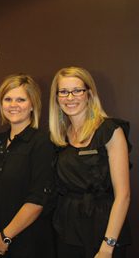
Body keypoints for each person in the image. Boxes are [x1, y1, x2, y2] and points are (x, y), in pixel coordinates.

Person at [49, 67, 131, 258]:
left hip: (104, 230)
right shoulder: (59, 137)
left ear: (89, 94)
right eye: (63, 92)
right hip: (67, 230)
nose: (70, 97)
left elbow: (123, 195)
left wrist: (107, 247)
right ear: (57, 97)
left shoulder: (109, 130)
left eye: (77, 90)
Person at [0, 74, 56, 257]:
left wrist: (5, 237)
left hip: (29, 241)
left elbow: (37, 200)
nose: (13, 105)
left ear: (32, 105)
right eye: (8, 99)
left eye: (21, 99)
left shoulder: (42, 143)